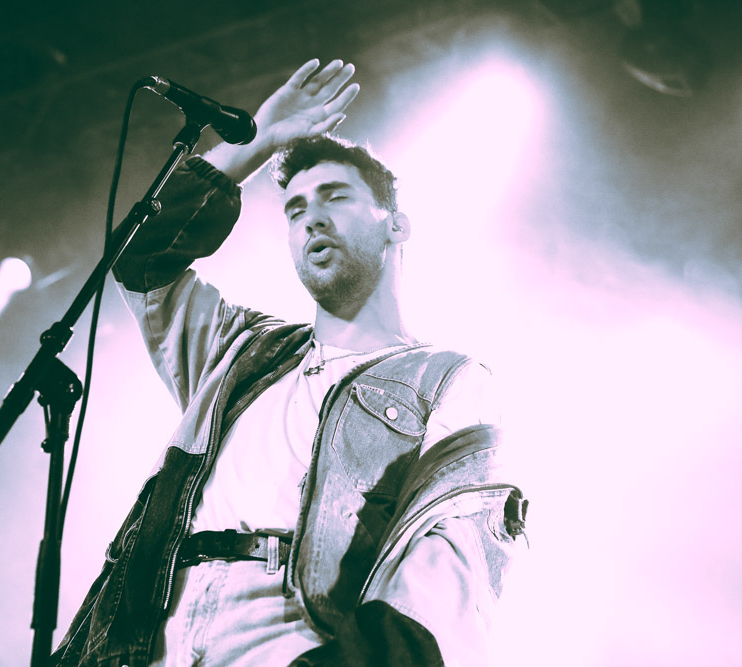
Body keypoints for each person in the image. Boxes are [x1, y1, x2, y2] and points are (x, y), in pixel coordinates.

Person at [51, 58, 528, 667]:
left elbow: (450, 556)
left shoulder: (447, 378)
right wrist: (253, 144)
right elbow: (143, 258)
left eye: (335, 197)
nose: (312, 219)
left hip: (289, 647)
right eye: (296, 210)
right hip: (140, 644)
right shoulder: (239, 349)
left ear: (397, 226)